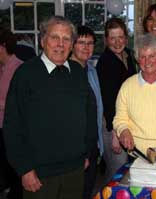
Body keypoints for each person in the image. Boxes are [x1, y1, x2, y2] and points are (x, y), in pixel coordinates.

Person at [3, 16, 96, 199]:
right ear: (42, 41)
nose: (60, 44)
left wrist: (87, 152)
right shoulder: (25, 74)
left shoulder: (78, 73)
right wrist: (24, 169)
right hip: (39, 174)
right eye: (55, 37)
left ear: (71, 44)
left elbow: (90, 115)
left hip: (75, 170)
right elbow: (12, 125)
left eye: (66, 39)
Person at [96, 17, 137, 185]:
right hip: (111, 126)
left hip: (126, 123)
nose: (117, 42)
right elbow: (108, 100)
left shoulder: (129, 56)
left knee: (121, 171)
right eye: (112, 38)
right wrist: (115, 134)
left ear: (126, 38)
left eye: (120, 37)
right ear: (106, 40)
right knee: (118, 171)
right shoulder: (106, 62)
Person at [70, 25, 103, 199]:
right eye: (81, 42)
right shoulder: (65, 72)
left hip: (91, 144)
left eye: (90, 43)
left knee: (87, 190)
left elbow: (96, 109)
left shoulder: (91, 70)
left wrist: (98, 144)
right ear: (72, 45)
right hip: (75, 148)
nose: (86, 47)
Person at [0, 27, 23, 199]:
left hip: (11, 130)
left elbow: (17, 103)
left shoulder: (19, 68)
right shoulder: (3, 69)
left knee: (14, 172)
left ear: (2, 46)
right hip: (2, 128)